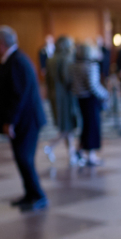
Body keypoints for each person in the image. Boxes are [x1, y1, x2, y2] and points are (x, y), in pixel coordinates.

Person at [0, 25, 48, 212]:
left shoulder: (17, 61)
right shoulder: (12, 59)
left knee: (24, 158)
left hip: (26, 121)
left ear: (0, 44)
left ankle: (38, 196)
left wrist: (10, 121)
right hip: (23, 121)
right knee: (21, 158)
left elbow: (18, 96)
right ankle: (30, 193)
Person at [70, 43, 109, 167]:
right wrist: (105, 95)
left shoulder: (74, 65)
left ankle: (80, 150)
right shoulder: (91, 65)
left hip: (80, 98)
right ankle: (91, 156)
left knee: (86, 126)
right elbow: (93, 86)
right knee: (93, 127)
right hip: (91, 100)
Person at [44, 35, 80, 164]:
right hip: (65, 97)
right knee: (67, 126)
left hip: (54, 95)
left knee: (66, 126)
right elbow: (67, 79)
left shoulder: (51, 59)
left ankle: (72, 155)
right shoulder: (66, 58)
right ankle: (50, 146)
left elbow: (47, 79)